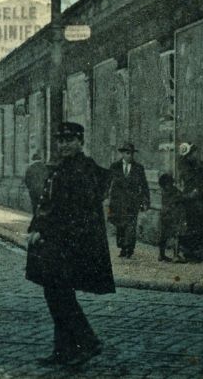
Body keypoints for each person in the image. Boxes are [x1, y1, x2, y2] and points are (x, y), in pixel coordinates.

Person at [26, 122, 113, 367]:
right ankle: (63, 350)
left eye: (70, 140)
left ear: (81, 142)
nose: (64, 145)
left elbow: (74, 212)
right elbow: (49, 203)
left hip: (71, 244)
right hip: (58, 243)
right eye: (61, 140)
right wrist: (37, 227)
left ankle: (88, 341)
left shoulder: (82, 170)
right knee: (56, 293)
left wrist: (44, 231)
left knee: (60, 295)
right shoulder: (64, 167)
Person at [106, 143, 151, 259]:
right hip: (118, 202)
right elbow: (107, 183)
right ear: (122, 154)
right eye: (127, 153)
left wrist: (146, 200)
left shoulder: (138, 168)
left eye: (131, 153)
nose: (130, 156)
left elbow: (144, 185)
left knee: (131, 225)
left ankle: (129, 249)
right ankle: (122, 248)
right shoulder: (114, 167)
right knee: (120, 225)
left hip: (133, 202)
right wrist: (106, 197)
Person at [177, 142, 203, 262]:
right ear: (188, 154)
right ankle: (190, 253)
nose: (196, 154)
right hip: (192, 199)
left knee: (198, 225)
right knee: (192, 225)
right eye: (194, 152)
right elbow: (193, 181)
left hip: (198, 199)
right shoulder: (185, 166)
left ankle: (195, 252)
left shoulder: (194, 164)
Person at [157, 172, 185, 262]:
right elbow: (182, 197)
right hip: (173, 215)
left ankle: (161, 255)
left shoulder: (163, 191)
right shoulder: (173, 191)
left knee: (163, 235)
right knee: (176, 234)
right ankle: (176, 256)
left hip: (163, 214)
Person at [23, 152, 50, 217]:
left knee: (35, 205)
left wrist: (30, 188)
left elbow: (26, 180)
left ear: (33, 159)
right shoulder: (45, 167)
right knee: (43, 206)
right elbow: (47, 178)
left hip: (33, 190)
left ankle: (35, 217)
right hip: (43, 190)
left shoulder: (30, 168)